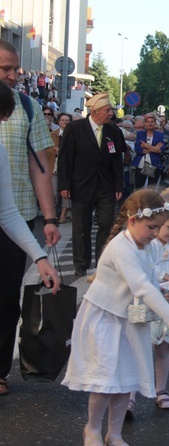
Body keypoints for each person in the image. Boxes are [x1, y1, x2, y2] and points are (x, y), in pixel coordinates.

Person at [61, 189, 169, 446]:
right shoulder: (121, 247)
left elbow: (149, 278)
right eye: (151, 227)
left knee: (126, 379)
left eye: (158, 227)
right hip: (105, 318)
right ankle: (93, 430)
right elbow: (140, 286)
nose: (155, 233)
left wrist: (163, 291)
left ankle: (114, 435)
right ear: (132, 221)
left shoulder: (146, 246)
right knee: (106, 379)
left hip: (131, 318)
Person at [1, 41, 61, 396]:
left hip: (17, 215)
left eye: (16, 69)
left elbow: (41, 166)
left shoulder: (26, 106)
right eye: (4, 68)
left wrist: (49, 219)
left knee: (6, 297)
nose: (12, 75)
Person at [127, 187, 169, 417]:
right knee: (139, 348)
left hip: (167, 306)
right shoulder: (148, 245)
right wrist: (165, 277)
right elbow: (144, 271)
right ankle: (130, 395)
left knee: (163, 348)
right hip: (147, 304)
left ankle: (161, 390)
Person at [58, 92, 125, 276]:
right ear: (95, 111)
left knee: (106, 223)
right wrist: (65, 184)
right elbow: (65, 159)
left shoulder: (113, 132)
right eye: (107, 110)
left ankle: (103, 262)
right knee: (81, 227)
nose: (110, 113)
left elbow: (116, 162)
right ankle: (81, 264)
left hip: (106, 186)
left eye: (110, 110)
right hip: (81, 186)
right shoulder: (75, 128)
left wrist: (119, 186)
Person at [131, 112, 165, 189]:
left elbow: (160, 150)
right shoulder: (140, 134)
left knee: (151, 189)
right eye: (148, 122)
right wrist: (153, 148)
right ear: (145, 123)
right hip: (141, 164)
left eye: (152, 122)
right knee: (139, 188)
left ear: (155, 123)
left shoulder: (160, 135)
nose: (150, 124)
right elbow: (138, 149)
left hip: (154, 164)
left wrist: (146, 146)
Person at [49, 112, 72, 223]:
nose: (65, 122)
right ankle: (52, 215)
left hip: (68, 167)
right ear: (58, 122)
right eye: (63, 120)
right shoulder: (53, 134)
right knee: (53, 191)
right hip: (54, 166)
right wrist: (54, 149)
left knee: (66, 191)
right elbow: (47, 149)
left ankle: (63, 214)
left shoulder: (74, 134)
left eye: (67, 120)